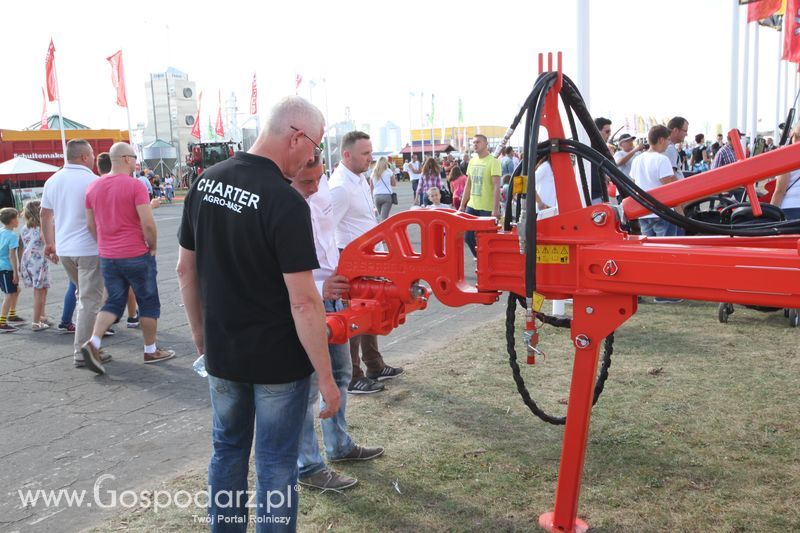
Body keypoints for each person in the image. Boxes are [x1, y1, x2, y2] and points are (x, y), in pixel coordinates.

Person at [177, 96, 340, 529]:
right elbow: (304, 300)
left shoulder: (206, 182)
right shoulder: (283, 202)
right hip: (277, 364)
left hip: (224, 354)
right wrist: (326, 378)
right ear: (296, 136)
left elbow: (184, 270)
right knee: (275, 463)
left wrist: (200, 335)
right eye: (315, 146)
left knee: (227, 450)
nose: (313, 156)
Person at [290, 160, 385, 491]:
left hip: (331, 297)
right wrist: (319, 289)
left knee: (342, 373)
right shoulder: (281, 208)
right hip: (305, 303)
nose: (315, 186)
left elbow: (333, 240)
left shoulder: (324, 190)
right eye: (306, 181)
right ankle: (308, 465)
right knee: (306, 386)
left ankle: (339, 445)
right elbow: (274, 275)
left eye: (318, 179)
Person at [80, 142, 174, 374]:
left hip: (108, 255)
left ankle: (94, 342)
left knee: (113, 302)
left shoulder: (93, 187)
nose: (135, 161)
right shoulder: (134, 186)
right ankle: (150, 349)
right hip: (135, 253)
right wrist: (152, 246)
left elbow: (91, 225)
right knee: (148, 301)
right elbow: (148, 223)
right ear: (124, 158)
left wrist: (104, 244)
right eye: (133, 157)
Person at [329, 131, 404, 394]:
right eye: (365, 154)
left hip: (367, 259)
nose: (370, 159)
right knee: (353, 317)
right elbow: (327, 230)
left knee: (371, 309)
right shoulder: (339, 187)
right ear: (347, 155)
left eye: (371, 153)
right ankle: (352, 375)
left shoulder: (360, 179)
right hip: (349, 261)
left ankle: (374, 365)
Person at [41, 139, 111, 368]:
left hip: (65, 248)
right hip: (89, 248)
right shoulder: (93, 181)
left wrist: (49, 243)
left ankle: (92, 346)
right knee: (90, 300)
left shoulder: (53, 181)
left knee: (87, 296)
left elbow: (45, 214)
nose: (93, 158)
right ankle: (83, 352)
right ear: (83, 157)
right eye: (91, 154)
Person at [630, 125, 678, 238]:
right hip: (662, 212)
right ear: (661, 139)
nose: (668, 143)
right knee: (667, 249)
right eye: (668, 140)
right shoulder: (662, 159)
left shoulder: (637, 160)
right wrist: (679, 211)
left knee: (649, 249)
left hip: (643, 212)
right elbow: (669, 187)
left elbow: (633, 183)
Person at [458, 134, 502, 257]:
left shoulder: (493, 161)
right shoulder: (472, 161)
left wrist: (495, 209)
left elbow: (496, 186)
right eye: (473, 143)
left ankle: (489, 261)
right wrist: (462, 205)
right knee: (468, 237)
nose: (475, 145)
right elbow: (468, 185)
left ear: (485, 144)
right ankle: (480, 259)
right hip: (472, 206)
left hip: (487, 208)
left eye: (478, 142)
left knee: (488, 239)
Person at [20, 200, 51, 331]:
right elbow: (47, 243)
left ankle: (41, 316)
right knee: (40, 291)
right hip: (39, 261)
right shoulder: (41, 229)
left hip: (28, 261)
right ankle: (36, 321)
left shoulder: (24, 228)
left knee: (40, 289)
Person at [770, 123, 800, 220]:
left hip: (791, 208)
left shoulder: (788, 155)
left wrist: (770, 214)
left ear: (794, 136)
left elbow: (780, 191)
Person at [0, 207, 22, 332]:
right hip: (6, 268)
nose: (18, 220)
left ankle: (12, 315)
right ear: (12, 220)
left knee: (16, 290)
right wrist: (15, 272)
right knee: (8, 295)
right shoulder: (12, 236)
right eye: (17, 218)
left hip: (2, 267)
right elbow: (11, 255)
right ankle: (2, 322)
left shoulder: (1, 231)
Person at [372, 156, 396, 221]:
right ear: (386, 163)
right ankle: (385, 230)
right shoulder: (389, 171)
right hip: (386, 196)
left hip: (376, 196)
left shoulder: (374, 172)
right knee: (384, 218)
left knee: (381, 217)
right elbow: (394, 184)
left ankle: (380, 229)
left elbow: (371, 187)